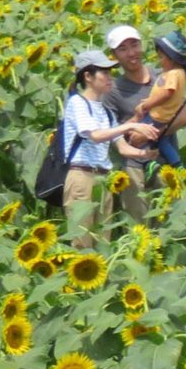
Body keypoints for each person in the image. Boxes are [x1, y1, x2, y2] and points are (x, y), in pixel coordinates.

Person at [58, 50, 153, 246]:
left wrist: (147, 152)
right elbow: (95, 136)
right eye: (105, 73)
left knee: (103, 243)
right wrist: (131, 125)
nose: (110, 78)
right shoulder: (77, 103)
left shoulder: (105, 111)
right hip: (81, 177)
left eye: (111, 73)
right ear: (87, 76)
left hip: (103, 179)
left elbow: (123, 148)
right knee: (82, 241)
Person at [104, 25, 156, 209]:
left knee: (169, 225)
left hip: (165, 160)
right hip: (133, 166)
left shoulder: (161, 77)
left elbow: (182, 117)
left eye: (134, 45)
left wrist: (149, 133)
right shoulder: (112, 90)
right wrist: (135, 120)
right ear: (115, 55)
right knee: (138, 226)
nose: (131, 53)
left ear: (141, 45)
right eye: (123, 49)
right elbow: (110, 133)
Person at [136, 31, 186, 172]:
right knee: (163, 141)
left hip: (158, 115)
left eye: (161, 57)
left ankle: (146, 161)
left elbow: (168, 92)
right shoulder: (179, 73)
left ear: (172, 58)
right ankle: (177, 165)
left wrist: (148, 104)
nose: (159, 61)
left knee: (138, 134)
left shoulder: (173, 73)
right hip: (166, 115)